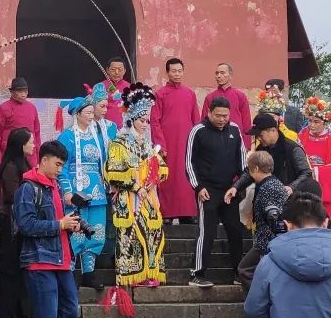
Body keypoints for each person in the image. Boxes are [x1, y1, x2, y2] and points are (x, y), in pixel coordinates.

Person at [9, 141, 80, 318]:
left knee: (70, 310)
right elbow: (26, 225)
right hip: (39, 261)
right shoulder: (27, 189)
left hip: (61, 260)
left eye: (62, 166)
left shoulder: (55, 188)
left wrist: (70, 225)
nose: (60, 170)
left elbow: (57, 222)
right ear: (44, 160)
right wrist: (59, 225)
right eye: (58, 164)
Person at [104, 83, 169, 287]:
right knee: (131, 234)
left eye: (147, 121)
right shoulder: (118, 144)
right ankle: (133, 274)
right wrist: (135, 186)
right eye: (142, 120)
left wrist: (153, 180)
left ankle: (150, 272)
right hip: (129, 197)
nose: (145, 124)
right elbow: (114, 172)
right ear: (131, 119)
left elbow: (162, 167)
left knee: (153, 231)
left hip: (148, 195)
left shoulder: (148, 145)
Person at [186, 96, 246, 288]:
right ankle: (197, 273)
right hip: (207, 190)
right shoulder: (198, 131)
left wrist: (238, 187)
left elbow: (243, 163)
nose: (222, 119)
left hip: (230, 190)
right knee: (207, 232)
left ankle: (238, 273)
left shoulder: (235, 130)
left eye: (225, 116)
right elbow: (189, 163)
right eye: (218, 115)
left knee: (235, 230)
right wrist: (198, 187)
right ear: (209, 113)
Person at [55, 94, 108, 290]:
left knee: (96, 230)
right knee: (75, 231)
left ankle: (89, 273)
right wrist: (67, 192)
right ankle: (69, 273)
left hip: (97, 191)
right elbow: (61, 167)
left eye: (92, 112)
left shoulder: (98, 136)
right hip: (75, 191)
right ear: (77, 114)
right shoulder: (66, 136)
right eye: (88, 112)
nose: (91, 115)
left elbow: (105, 162)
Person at [227, 151, 287, 289]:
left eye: (249, 170)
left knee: (245, 269)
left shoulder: (268, 188)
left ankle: (258, 298)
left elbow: (274, 217)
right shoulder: (275, 183)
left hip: (267, 241)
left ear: (256, 168)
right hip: (271, 240)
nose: (249, 174)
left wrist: (267, 244)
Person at [0, 127, 34, 318]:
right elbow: (12, 195)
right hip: (11, 222)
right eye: (30, 142)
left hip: (21, 221)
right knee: (10, 268)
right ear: (21, 145)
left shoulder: (24, 162)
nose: (34, 145)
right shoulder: (11, 166)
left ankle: (22, 312)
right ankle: (7, 314)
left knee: (21, 268)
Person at [151, 58, 199, 220]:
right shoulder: (160, 94)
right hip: (168, 143)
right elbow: (155, 121)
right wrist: (160, 145)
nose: (177, 74)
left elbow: (196, 120)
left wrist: (197, 143)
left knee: (186, 176)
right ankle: (167, 214)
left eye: (180, 71)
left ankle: (188, 213)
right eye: (173, 71)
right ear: (167, 73)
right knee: (168, 177)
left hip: (187, 142)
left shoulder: (190, 94)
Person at [0, 78, 42, 223]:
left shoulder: (32, 108)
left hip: (29, 152)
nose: (23, 94)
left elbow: (36, 132)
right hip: (10, 151)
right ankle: (4, 214)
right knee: (8, 183)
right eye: (20, 91)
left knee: (31, 180)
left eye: (25, 91)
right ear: (12, 92)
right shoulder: (3, 108)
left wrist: (37, 155)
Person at [297, 98, 331, 235]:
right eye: (310, 121)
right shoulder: (300, 138)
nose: (312, 125)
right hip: (303, 194)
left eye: (316, 122)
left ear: (325, 122)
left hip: (326, 196)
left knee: (326, 231)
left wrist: (317, 172)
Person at [243, 114, 311, 192]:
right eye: (256, 136)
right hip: (265, 195)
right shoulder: (261, 149)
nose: (258, 138)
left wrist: (291, 187)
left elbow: (306, 173)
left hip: (288, 196)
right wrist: (235, 187)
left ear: (273, 130)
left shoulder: (292, 149)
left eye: (261, 135)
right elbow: (250, 170)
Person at [201, 63, 254, 148]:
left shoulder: (240, 96)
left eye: (222, 73)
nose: (219, 76)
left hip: (235, 139)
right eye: (217, 73)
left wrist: (246, 144)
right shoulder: (209, 97)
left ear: (230, 75)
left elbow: (246, 121)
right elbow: (204, 120)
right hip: (213, 139)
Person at [98, 57, 132, 127]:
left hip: (124, 127)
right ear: (107, 70)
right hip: (104, 126)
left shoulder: (129, 87)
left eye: (120, 70)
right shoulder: (100, 87)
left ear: (124, 71)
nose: (116, 72)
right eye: (113, 69)